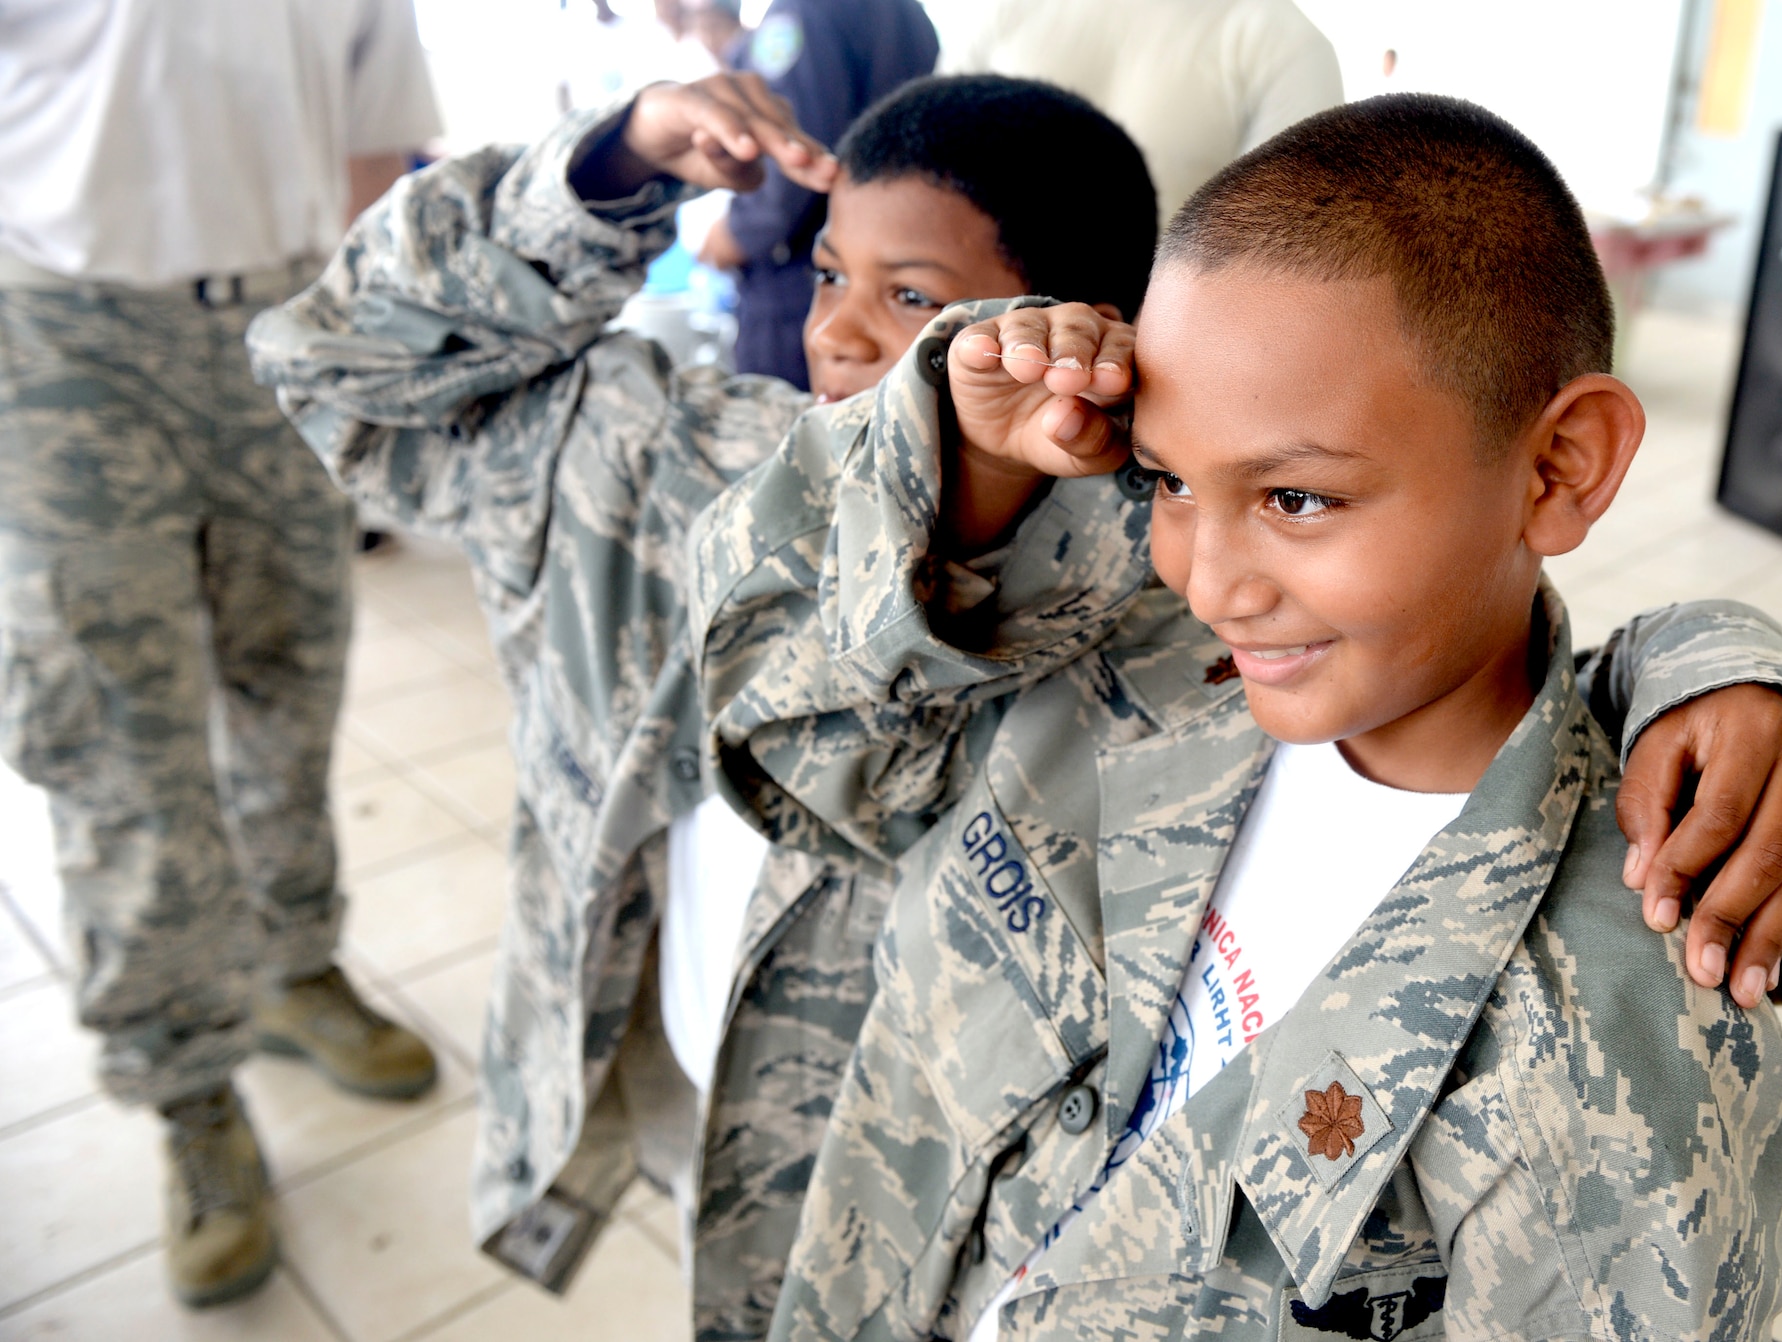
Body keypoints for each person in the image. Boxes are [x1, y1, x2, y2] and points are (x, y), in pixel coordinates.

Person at [690, 95, 1782, 1339]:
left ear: (1559, 466)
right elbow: (798, 756)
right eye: (1167, 479)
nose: (1209, 579)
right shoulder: (1119, 675)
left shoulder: (1614, 1060)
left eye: (1295, 497)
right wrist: (953, 466)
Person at [249, 71, 1156, 1338]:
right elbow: (331, 360)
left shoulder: (1146, 615)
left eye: (913, 300)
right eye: (830, 273)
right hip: (686, 1075)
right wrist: (607, 168)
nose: (837, 332)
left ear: (1073, 336)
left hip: (923, 1220)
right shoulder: (679, 462)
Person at [0, 0, 443, 1310]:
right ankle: (189, 1089)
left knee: (292, 682)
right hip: (62, 332)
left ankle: (296, 967)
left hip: (287, 320)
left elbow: (375, 145)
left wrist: (358, 338)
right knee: (116, 728)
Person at [700, 0, 938, 387]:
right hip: (881, 280)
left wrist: (736, 233)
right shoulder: (905, 11)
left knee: (793, 431)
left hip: (798, 286)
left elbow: (796, 154)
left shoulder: (799, 13)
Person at [940, 0, 1345, 216]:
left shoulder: (1284, 42)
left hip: (1154, 350)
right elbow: (929, 165)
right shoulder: (999, 9)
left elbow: (1287, 238)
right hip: (975, 331)